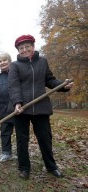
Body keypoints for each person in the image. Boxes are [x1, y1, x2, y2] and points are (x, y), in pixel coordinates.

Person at [8, 34, 74, 180]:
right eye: (21, 48)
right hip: (22, 109)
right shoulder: (15, 65)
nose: (24, 50)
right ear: (18, 50)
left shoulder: (42, 62)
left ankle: (51, 167)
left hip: (41, 107)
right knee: (21, 139)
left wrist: (64, 86)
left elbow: (50, 80)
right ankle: (24, 168)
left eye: (27, 46)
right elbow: (13, 86)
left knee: (45, 138)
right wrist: (17, 102)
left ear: (33, 46)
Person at [0, 52, 15, 162]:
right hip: (3, 109)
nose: (2, 62)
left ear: (9, 61)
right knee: (5, 131)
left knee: (21, 132)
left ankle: (23, 153)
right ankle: (6, 153)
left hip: (18, 108)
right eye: (0, 61)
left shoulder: (16, 73)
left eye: (5, 60)